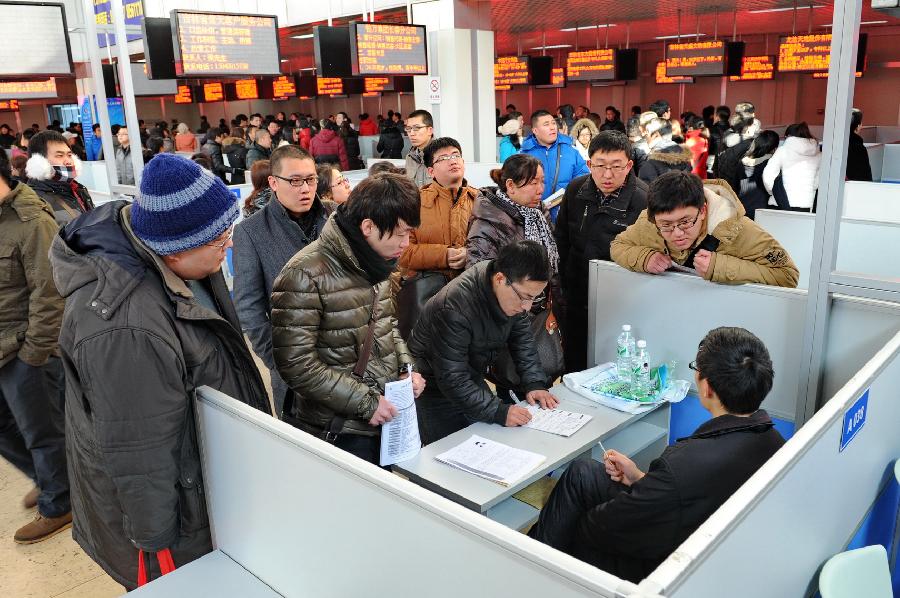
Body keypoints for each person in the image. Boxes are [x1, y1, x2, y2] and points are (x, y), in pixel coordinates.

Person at [48, 154, 271, 590]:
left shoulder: (184, 266)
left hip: (204, 480)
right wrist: (158, 547)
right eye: (221, 239)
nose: (230, 246)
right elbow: (138, 449)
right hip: (171, 519)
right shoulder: (126, 325)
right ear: (176, 246)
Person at [528, 326, 786, 583]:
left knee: (568, 519)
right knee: (582, 472)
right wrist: (640, 479)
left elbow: (603, 528)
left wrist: (576, 522)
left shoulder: (682, 463)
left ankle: (527, 572)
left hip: (665, 569)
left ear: (706, 388)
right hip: (711, 548)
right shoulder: (774, 441)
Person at [271, 173, 426, 464]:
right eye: (401, 233)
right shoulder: (304, 274)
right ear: (368, 226)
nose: (406, 243)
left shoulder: (375, 261)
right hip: (337, 427)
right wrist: (365, 402)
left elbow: (386, 322)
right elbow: (296, 365)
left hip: (380, 416)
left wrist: (406, 367)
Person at [409, 240, 558, 445]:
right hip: (432, 385)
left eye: (533, 297)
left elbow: (522, 338)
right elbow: (452, 377)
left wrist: (534, 383)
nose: (526, 306)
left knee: (491, 443)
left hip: (468, 374)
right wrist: (498, 411)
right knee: (448, 456)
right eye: (524, 297)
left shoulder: (509, 291)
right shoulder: (454, 307)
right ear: (500, 279)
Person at [0, 150, 70, 544]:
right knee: (6, 429)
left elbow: (50, 293)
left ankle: (59, 503)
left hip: (27, 351)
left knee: (42, 432)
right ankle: (48, 479)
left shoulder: (31, 221)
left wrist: (34, 354)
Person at [234, 146, 333, 417]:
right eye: (295, 181)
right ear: (274, 183)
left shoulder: (336, 218)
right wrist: (279, 361)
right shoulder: (251, 233)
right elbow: (249, 309)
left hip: (346, 361)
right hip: (294, 371)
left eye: (311, 179)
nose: (305, 188)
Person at [555, 131, 648, 373]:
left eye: (616, 167)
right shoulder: (575, 190)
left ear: (629, 165)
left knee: (611, 365)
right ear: (589, 164)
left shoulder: (643, 200)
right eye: (600, 166)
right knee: (574, 363)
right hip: (576, 296)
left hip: (619, 302)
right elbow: (561, 240)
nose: (607, 175)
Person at [611, 170, 799, 287]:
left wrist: (721, 266)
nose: (676, 233)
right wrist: (644, 258)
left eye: (685, 222)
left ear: (703, 210)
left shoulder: (738, 229)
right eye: (666, 225)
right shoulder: (649, 222)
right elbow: (618, 246)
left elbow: (787, 275)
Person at [520, 110, 590, 222]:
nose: (552, 127)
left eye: (553, 123)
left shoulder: (571, 151)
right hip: (533, 218)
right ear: (535, 130)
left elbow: (584, 179)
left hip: (565, 216)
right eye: (546, 124)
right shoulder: (523, 155)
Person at [25, 130, 94, 226]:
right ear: (39, 162)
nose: (68, 161)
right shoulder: (35, 202)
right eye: (60, 155)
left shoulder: (78, 189)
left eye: (69, 155)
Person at [763, 122, 821, 212]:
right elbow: (817, 181)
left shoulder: (783, 150)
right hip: (804, 204)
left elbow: (768, 175)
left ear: (789, 136)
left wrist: (774, 192)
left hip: (780, 202)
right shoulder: (818, 154)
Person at [736, 131, 780, 220]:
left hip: (740, 209)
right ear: (774, 149)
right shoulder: (770, 164)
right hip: (761, 210)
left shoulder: (741, 162)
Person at [638, 118, 693, 184]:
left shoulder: (651, 163)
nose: (644, 135)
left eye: (647, 133)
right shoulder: (685, 158)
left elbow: (646, 191)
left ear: (656, 135)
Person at [404, 110, 435, 188]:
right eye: (408, 129)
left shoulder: (441, 156)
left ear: (429, 130)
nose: (411, 133)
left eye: (416, 128)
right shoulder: (410, 157)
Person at [846, 109, 873, 182]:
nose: (861, 126)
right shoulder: (859, 148)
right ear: (857, 127)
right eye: (861, 123)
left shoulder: (833, 145)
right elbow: (865, 177)